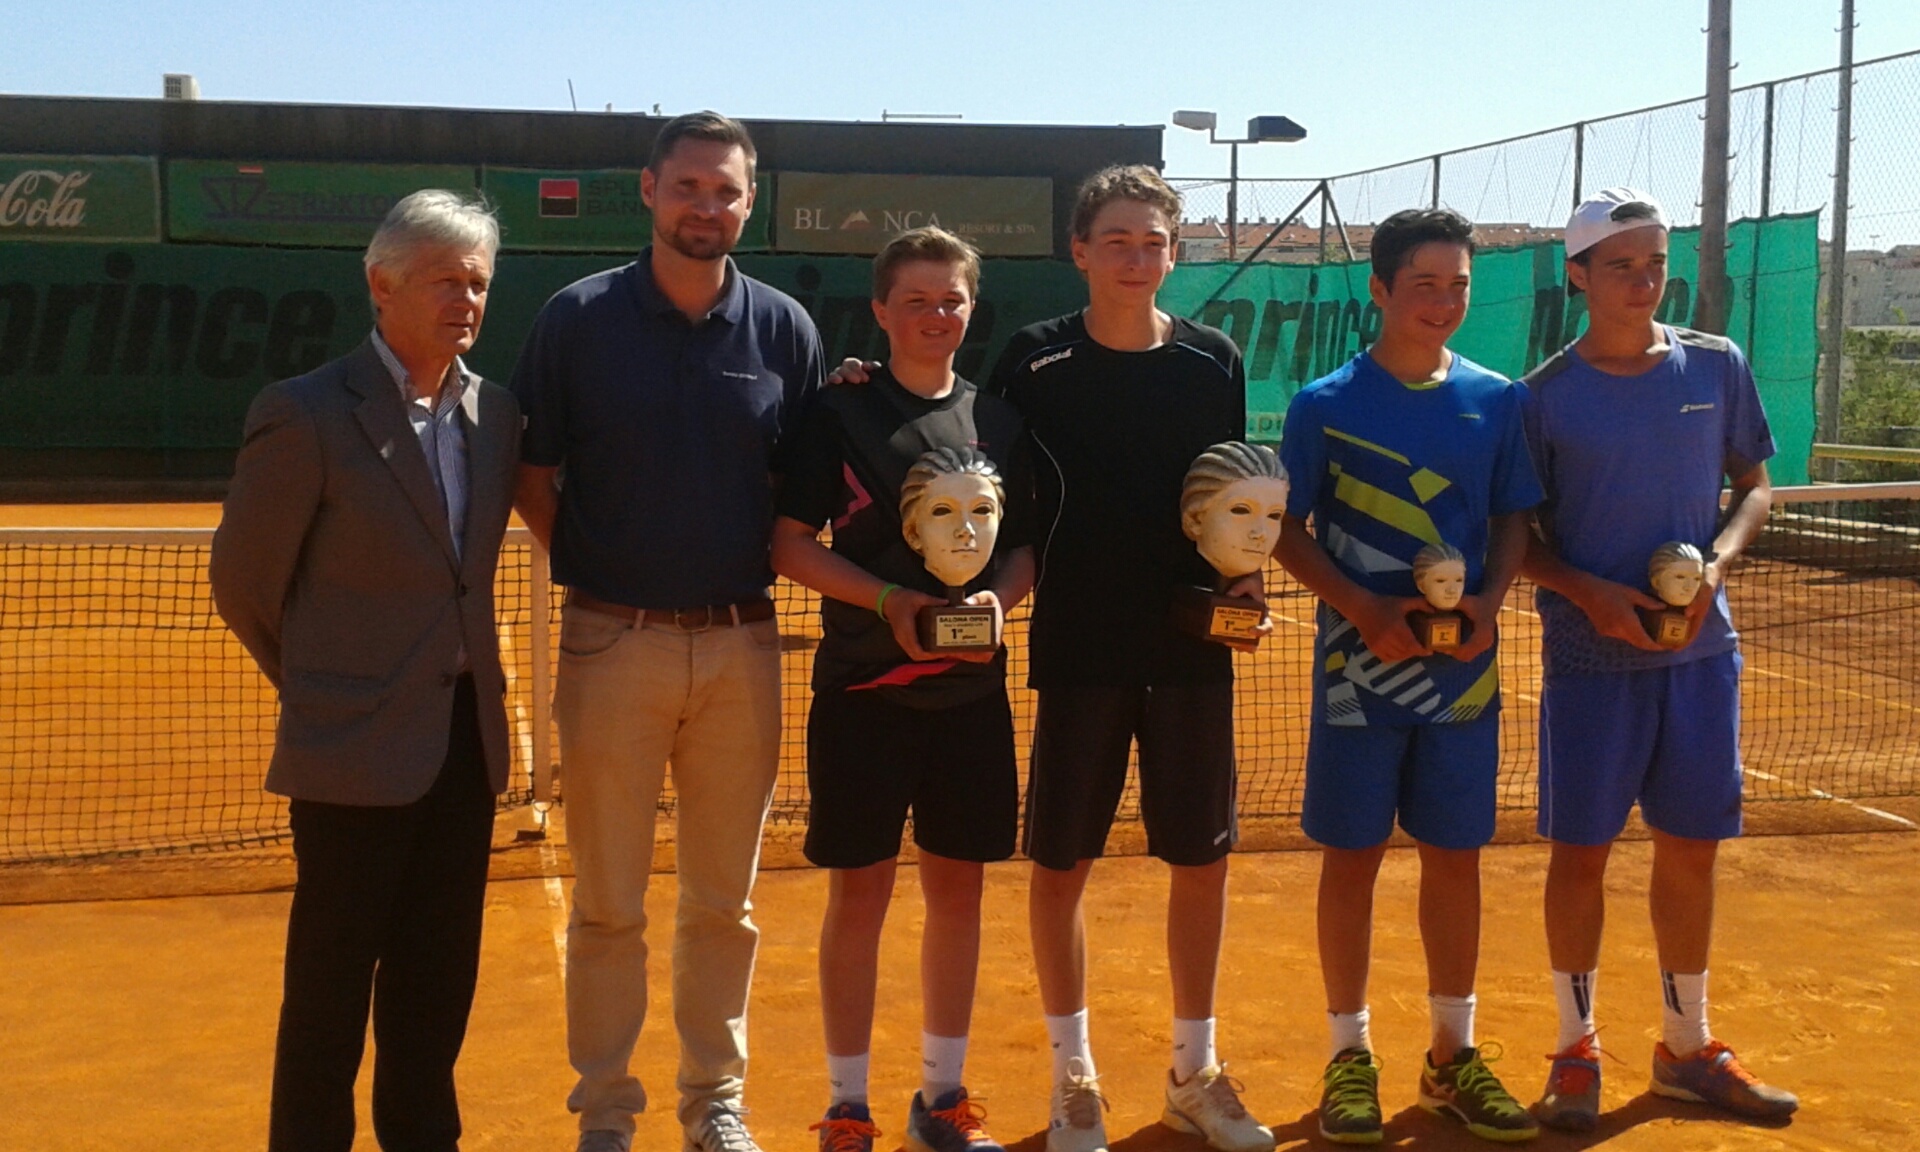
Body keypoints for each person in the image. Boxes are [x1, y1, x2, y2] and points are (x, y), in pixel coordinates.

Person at [510, 111, 825, 1152]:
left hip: (743, 648)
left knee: (723, 905)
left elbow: (803, 487)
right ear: (649, 190)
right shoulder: (577, 317)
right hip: (612, 647)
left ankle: (713, 1103)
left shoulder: (785, 328)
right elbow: (533, 474)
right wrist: (605, 574)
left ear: (749, 203)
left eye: (726, 190)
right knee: (608, 905)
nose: (707, 206)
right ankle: (606, 1109)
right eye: (688, 185)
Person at [210, 189, 519, 1152]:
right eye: (444, 281)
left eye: (478, 283)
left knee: (437, 979)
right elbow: (245, 586)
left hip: (464, 745)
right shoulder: (303, 412)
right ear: (381, 286)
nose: (465, 300)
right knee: (329, 991)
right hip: (349, 749)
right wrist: (331, 689)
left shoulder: (497, 413)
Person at [995, 166, 1269, 1152]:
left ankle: (1194, 1072)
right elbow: (971, 457)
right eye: (1116, 240)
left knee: (1202, 860)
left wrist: (1244, 576)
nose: (1135, 258)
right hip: (1079, 647)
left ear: (1174, 252)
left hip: (1193, 649)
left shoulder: (1212, 360)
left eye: (1153, 242)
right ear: (1079, 250)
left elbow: (1230, 492)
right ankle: (1073, 1078)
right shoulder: (1031, 360)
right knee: (1060, 863)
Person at [1519, 188, 1796, 1131]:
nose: (1643, 282)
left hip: (1699, 659)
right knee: (1580, 858)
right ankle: (1574, 1050)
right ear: (1579, 277)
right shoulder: (1542, 397)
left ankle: (1685, 1047)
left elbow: (1755, 485)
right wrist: (1590, 594)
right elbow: (1519, 539)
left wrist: (1718, 562)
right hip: (1590, 662)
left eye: (1655, 265)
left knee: (1690, 851)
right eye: (1622, 266)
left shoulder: (1716, 364)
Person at [1274, 207, 1543, 1145]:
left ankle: (1450, 1057)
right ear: (1381, 289)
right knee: (1351, 860)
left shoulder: (1497, 400)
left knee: (1455, 858)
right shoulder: (1324, 404)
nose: (1443, 301)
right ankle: (1349, 1056)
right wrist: (1364, 608)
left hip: (1464, 678)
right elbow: (1283, 528)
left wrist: (1491, 603)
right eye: (1423, 284)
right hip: (1357, 676)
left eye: (1458, 285)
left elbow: (1513, 518)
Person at [772, 227, 1036, 1152]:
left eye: (951, 299)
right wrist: (889, 602)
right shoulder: (838, 412)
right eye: (915, 300)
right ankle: (847, 1108)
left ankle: (942, 1101)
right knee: (861, 898)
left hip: (970, 701)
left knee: (959, 895)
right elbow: (790, 544)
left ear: (972, 309)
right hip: (862, 694)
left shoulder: (999, 421)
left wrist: (999, 604)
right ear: (880, 310)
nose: (935, 314)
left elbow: (1023, 550)